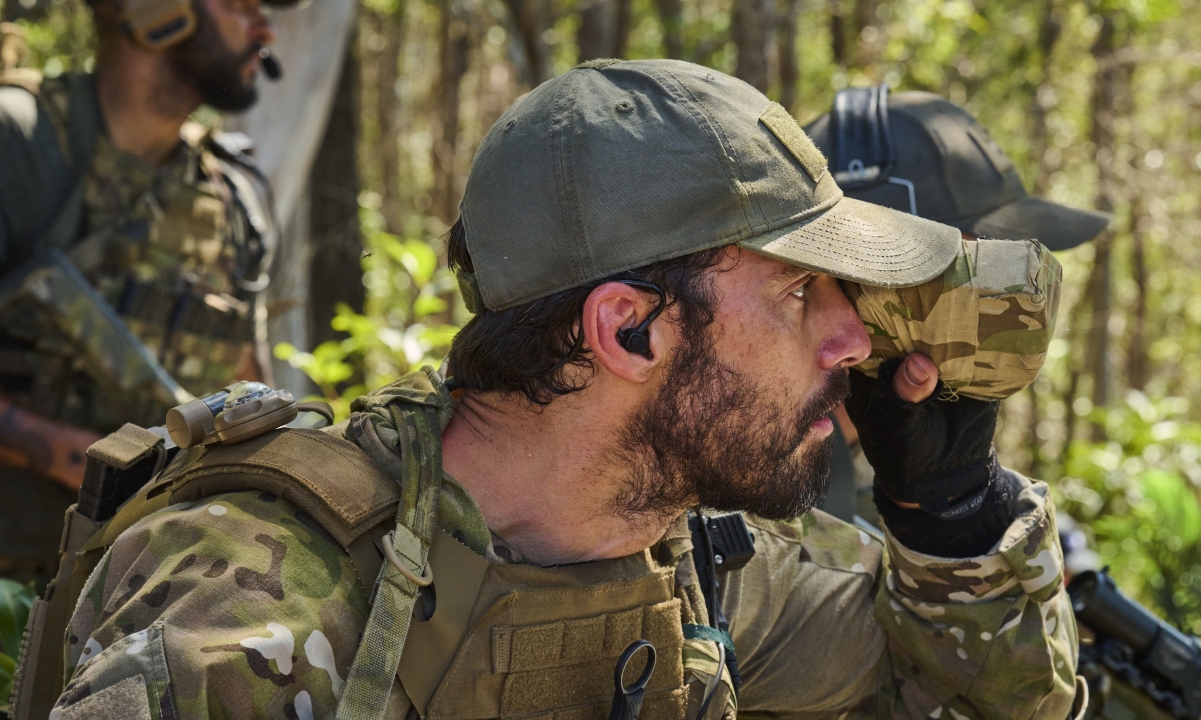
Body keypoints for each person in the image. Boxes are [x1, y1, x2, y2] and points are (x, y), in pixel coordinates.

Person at [38, 60, 1076, 719]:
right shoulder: (257, 605)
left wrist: (950, 517)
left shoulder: (689, 563)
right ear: (626, 326)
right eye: (801, 292)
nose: (850, 340)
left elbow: (963, 700)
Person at [0, 0, 291, 587]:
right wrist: (80, 458)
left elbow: (244, 395)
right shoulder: (21, 145)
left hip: (138, 597)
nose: (264, 28)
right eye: (241, 4)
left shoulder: (233, 202)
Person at [803, 87, 1111, 525]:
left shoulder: (898, 451)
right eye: (975, 268)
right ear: (874, 272)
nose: (994, 298)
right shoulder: (756, 476)